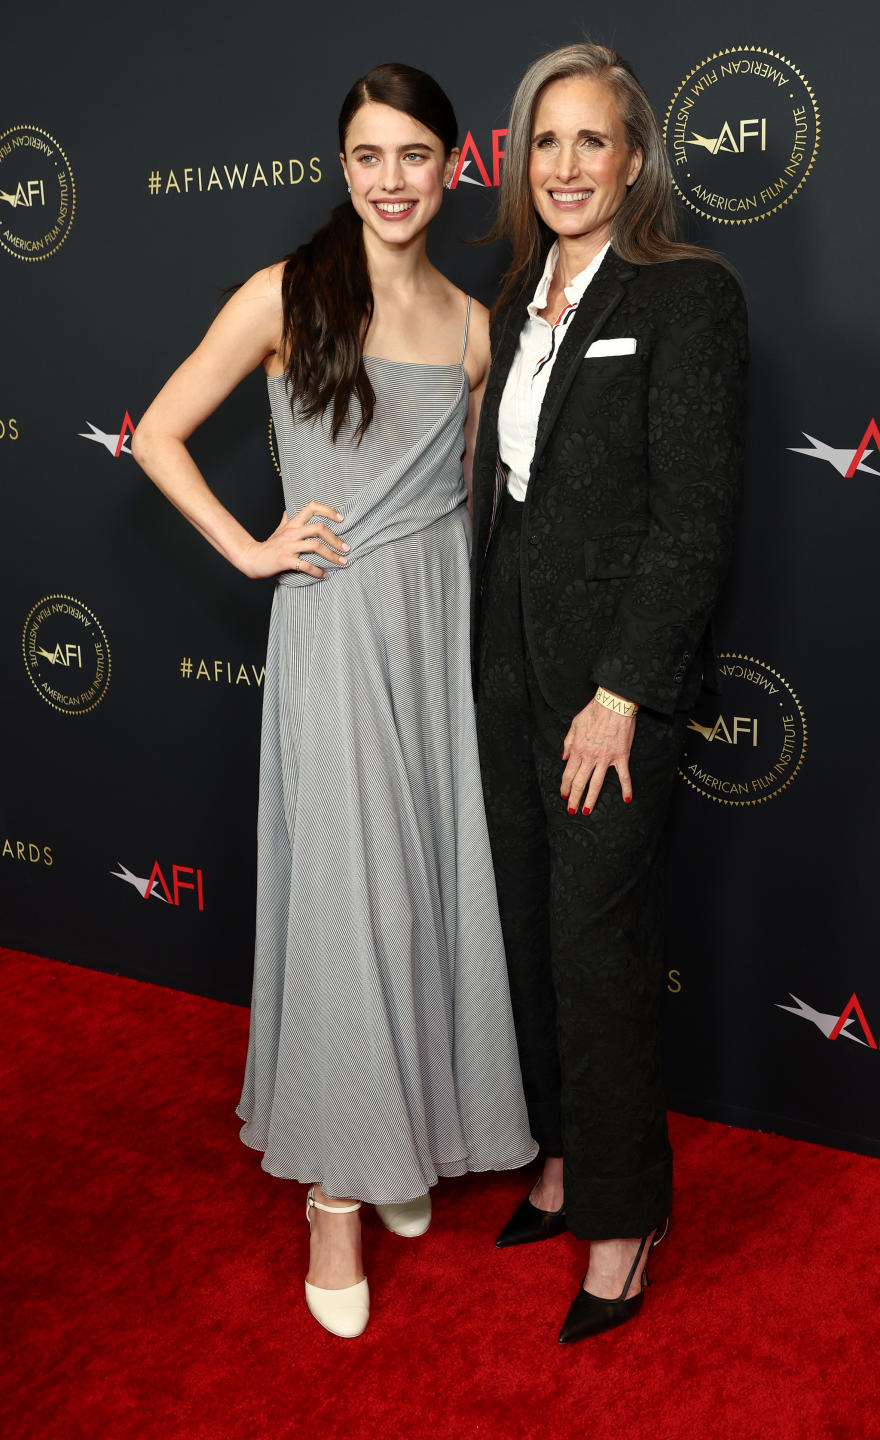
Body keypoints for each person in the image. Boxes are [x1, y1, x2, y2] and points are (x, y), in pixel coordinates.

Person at [132, 62, 536, 1340]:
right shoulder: (284, 295)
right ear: (343, 167)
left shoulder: (478, 326)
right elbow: (155, 434)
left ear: (453, 164)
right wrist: (251, 547)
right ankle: (334, 1199)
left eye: (416, 154)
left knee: (421, 880)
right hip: (337, 625)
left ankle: (402, 1132)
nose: (392, 180)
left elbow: (475, 499)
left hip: (435, 633)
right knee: (346, 895)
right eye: (369, 156)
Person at [471, 43, 748, 1344]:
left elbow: (695, 520)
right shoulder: (517, 289)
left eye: (593, 141)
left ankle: (626, 1222)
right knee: (529, 925)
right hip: (508, 671)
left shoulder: (689, 296)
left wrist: (625, 691)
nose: (568, 166)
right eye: (546, 142)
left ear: (635, 158)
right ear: (522, 162)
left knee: (599, 943)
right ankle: (567, 1158)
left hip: (608, 694)